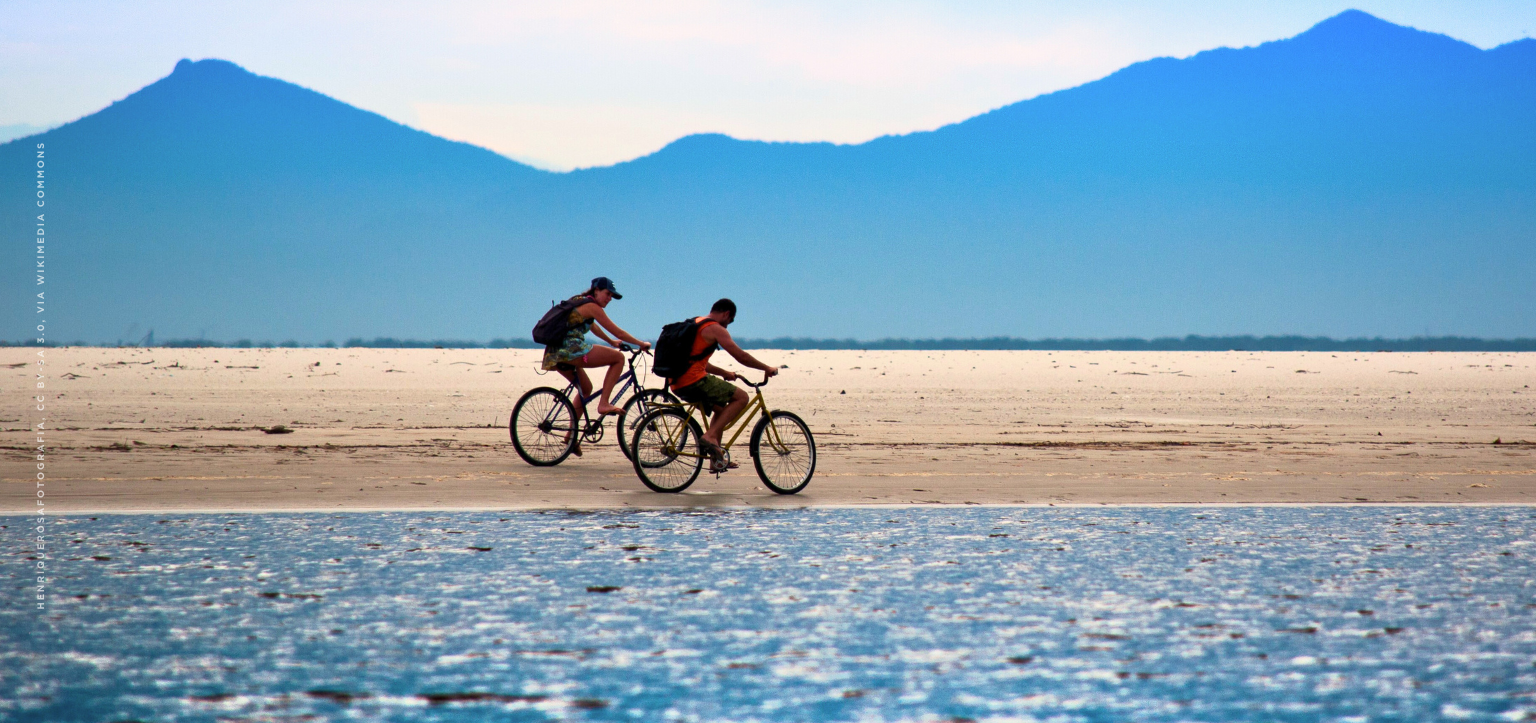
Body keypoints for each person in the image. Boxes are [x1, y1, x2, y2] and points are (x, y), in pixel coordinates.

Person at [669, 298, 779, 468]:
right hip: (694, 380)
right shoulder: (715, 328)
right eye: (730, 321)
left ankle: (716, 459)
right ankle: (710, 436)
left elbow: (699, 362)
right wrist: (766, 368)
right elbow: (740, 356)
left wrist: (724, 373)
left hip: (677, 382)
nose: (728, 326)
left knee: (721, 409)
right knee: (742, 397)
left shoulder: (696, 323)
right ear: (727, 314)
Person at [542, 278, 652, 430]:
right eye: (607, 294)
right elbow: (618, 331)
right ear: (596, 290)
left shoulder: (578, 301)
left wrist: (611, 342)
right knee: (618, 358)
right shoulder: (592, 306)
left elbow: (592, 326)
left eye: (611, 296)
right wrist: (641, 344)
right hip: (571, 351)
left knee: (586, 390)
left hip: (554, 352)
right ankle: (604, 403)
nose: (609, 298)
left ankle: (570, 437)